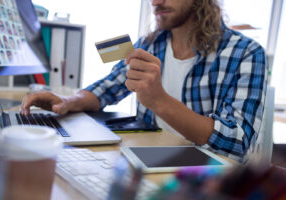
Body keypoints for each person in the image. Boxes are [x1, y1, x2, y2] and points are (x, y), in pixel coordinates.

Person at [20, 0, 268, 163]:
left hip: (205, 176)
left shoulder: (245, 52)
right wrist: (66, 101)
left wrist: (159, 101)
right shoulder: (148, 44)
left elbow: (236, 142)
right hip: (148, 162)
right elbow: (107, 89)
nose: (156, 2)